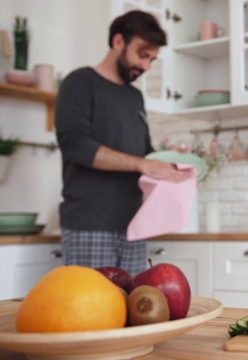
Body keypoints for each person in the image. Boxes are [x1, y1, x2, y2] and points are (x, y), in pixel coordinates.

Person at [55, 10, 188, 276]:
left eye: (152, 59)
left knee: (132, 313)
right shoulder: (79, 83)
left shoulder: (134, 98)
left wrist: (169, 162)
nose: (146, 66)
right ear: (118, 42)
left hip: (133, 227)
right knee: (90, 312)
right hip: (89, 226)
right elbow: (75, 143)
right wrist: (143, 164)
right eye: (142, 54)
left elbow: (144, 153)